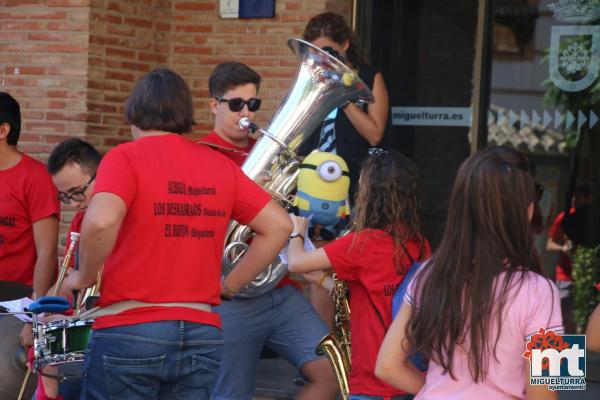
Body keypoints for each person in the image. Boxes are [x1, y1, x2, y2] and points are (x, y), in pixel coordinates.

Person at [58, 68, 292, 399]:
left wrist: (83, 275)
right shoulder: (217, 164)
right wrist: (230, 286)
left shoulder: (124, 157)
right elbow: (279, 226)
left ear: (134, 114)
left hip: (130, 330)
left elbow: (100, 222)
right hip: (201, 331)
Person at [376, 147, 562, 399]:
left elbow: (386, 366)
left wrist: (440, 390)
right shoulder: (543, 291)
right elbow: (545, 394)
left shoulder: (430, 272)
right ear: (526, 210)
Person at [203, 61, 338, 400]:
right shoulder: (202, 156)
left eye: (253, 104)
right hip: (228, 294)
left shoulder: (274, 155)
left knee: (333, 375)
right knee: (231, 395)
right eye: (236, 104)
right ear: (213, 105)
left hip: (278, 289)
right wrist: (249, 197)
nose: (246, 112)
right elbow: (203, 226)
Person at [287, 149, 430, 400]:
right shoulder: (419, 243)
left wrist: (297, 230)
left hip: (371, 379)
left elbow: (295, 262)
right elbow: (384, 296)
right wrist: (323, 281)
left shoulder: (363, 243)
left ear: (370, 194)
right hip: (408, 372)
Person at [27, 138, 103, 400]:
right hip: (87, 319)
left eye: (77, 192)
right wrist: (42, 310)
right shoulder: (82, 219)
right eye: (64, 196)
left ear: (100, 175)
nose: (72, 204)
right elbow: (69, 278)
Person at [0, 92, 60, 400]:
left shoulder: (34, 177)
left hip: (16, 303)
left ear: (3, 130)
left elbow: (47, 251)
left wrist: (35, 315)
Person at [299, 11, 390, 204]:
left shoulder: (370, 78)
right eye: (315, 52)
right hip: (311, 184)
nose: (321, 57)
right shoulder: (311, 79)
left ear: (345, 45)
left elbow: (374, 136)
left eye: (327, 50)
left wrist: (343, 96)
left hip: (355, 185)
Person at [546, 184, 591, 333]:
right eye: (572, 196)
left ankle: (574, 353)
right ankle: (567, 354)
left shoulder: (592, 220)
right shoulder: (564, 218)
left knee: (580, 318)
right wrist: (563, 249)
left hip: (586, 277)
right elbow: (549, 244)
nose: (574, 200)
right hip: (564, 275)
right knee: (564, 315)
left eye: (578, 197)